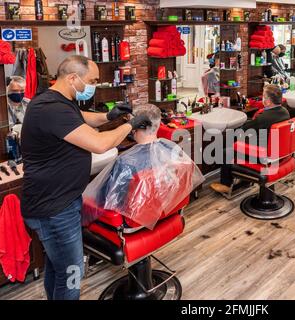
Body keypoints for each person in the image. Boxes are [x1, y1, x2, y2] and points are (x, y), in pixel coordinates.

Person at [20, 55, 151, 300]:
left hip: (56, 203)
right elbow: (100, 144)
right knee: (71, 273)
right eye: (91, 80)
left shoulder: (56, 100)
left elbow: (80, 117)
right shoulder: (51, 108)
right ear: (72, 78)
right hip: (54, 209)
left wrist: (108, 117)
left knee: (58, 268)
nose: (93, 86)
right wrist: (129, 125)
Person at [84, 104, 203, 229]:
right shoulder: (172, 149)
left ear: (135, 126)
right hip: (164, 212)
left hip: (133, 219)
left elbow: (107, 200)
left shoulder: (125, 162)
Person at [210, 84, 290, 194]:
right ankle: (244, 179)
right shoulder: (285, 112)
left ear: (268, 101)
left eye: (263, 96)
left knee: (226, 151)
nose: (262, 99)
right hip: (279, 153)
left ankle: (226, 184)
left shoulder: (263, 118)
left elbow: (243, 130)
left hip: (263, 156)